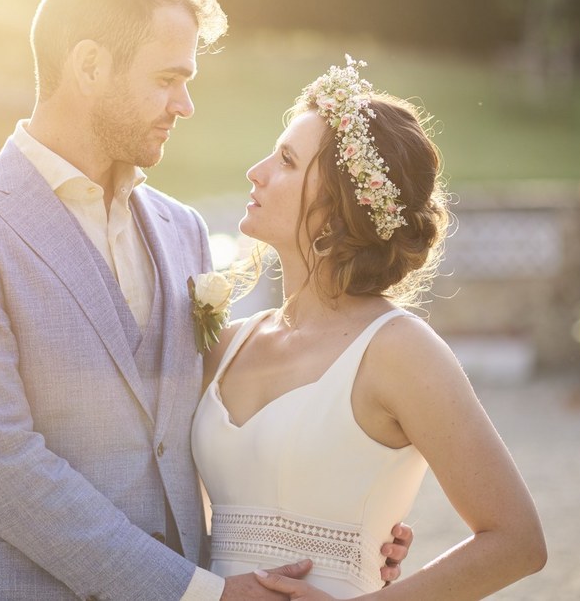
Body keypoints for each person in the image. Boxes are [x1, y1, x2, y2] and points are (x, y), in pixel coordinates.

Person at [0, 0, 410, 601]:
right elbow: (1, 471)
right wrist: (199, 594)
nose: (185, 104)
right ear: (89, 66)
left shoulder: (183, 231)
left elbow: (210, 425)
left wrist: (339, 527)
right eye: (168, 79)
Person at [192, 57, 547, 599]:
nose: (256, 171)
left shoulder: (399, 351)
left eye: (287, 160)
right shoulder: (227, 344)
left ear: (337, 210)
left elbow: (517, 541)